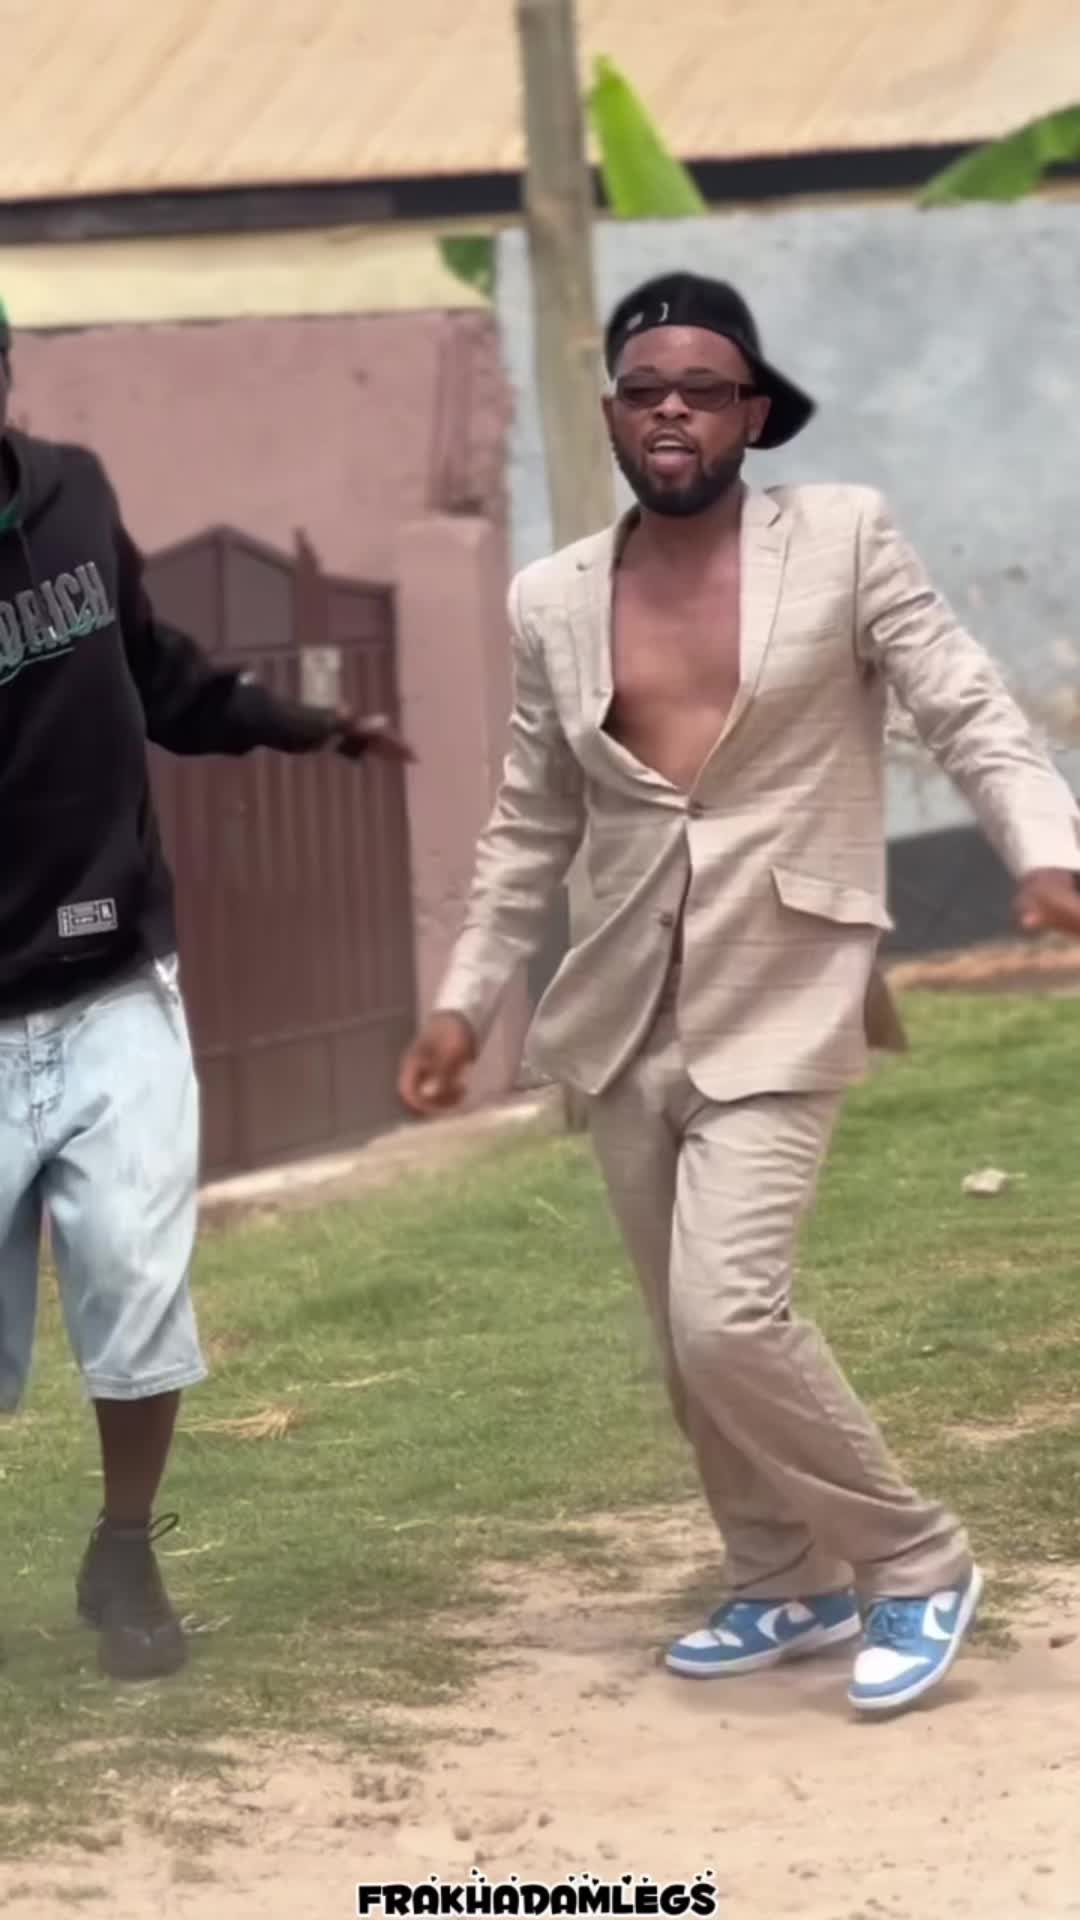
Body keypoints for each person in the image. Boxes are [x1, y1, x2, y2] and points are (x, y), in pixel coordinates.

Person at [399, 270, 1080, 1719]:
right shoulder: (552, 599)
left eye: (703, 390)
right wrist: (464, 1002)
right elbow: (529, 823)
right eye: (645, 390)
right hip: (622, 1003)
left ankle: (914, 1560)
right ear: (613, 416)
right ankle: (781, 1576)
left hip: (785, 981)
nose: (672, 412)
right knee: (680, 1337)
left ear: (754, 414)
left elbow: (965, 704)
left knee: (727, 1314)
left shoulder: (842, 541)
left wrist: (1044, 850)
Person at [0, 308, 413, 1680]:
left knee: (136, 1285)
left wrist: (307, 725)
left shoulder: (72, 494)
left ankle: (126, 1550)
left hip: (114, 981)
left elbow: (158, 678)